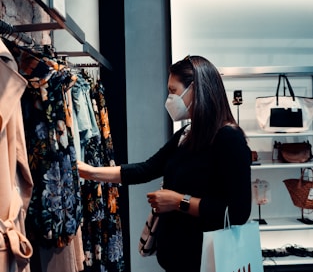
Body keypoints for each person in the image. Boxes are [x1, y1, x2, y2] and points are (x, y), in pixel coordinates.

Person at [77, 55, 252, 272]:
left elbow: (238, 212)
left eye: (173, 90)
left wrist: (179, 201)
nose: (169, 98)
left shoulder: (228, 138)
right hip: (178, 259)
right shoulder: (187, 134)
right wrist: (90, 172)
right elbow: (146, 168)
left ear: (195, 89)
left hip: (208, 262)